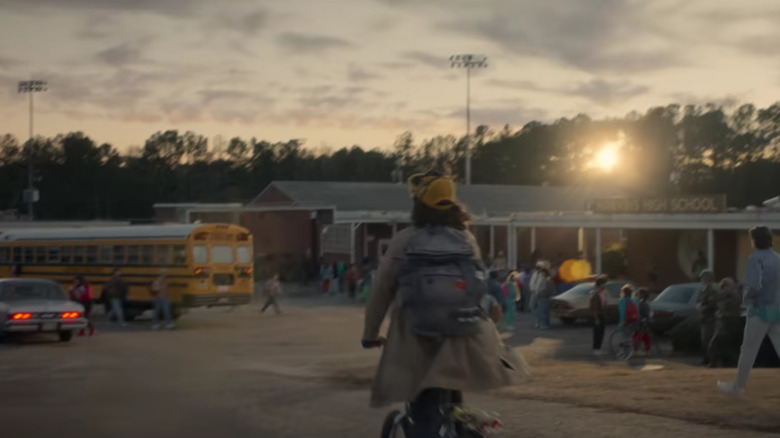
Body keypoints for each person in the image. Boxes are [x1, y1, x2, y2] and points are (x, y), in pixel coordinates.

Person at [361, 171, 528, 436]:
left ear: (418, 204)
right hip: (462, 337)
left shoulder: (404, 241)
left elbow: (381, 291)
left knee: (424, 413)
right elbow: (478, 284)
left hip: (417, 338)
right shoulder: (466, 239)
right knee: (452, 398)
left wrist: (370, 335)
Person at [719, 226, 780, 397]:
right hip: (777, 310)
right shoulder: (777, 258)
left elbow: (754, 285)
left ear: (755, 240)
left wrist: (746, 296)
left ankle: (738, 387)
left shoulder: (755, 259)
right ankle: (738, 387)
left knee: (748, 350)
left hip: (759, 311)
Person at [709, 277, 742, 367]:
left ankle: (729, 365)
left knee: (728, 347)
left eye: (727, 286)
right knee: (715, 345)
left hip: (730, 324)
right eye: (723, 287)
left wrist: (720, 305)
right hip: (722, 325)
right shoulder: (724, 295)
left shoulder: (735, 296)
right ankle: (714, 364)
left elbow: (725, 306)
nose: (725, 288)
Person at [697, 270, 718, 366]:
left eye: (703, 278)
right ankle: (706, 360)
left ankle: (712, 361)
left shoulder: (711, 290)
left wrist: (702, 308)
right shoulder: (705, 290)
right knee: (704, 341)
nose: (702, 280)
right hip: (705, 319)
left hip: (710, 320)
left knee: (709, 341)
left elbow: (712, 305)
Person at [589, 275, 609, 356]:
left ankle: (599, 348)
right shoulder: (596, 293)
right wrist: (596, 318)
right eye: (604, 283)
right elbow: (594, 307)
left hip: (602, 314)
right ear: (600, 283)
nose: (605, 285)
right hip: (597, 315)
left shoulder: (603, 291)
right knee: (597, 332)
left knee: (601, 332)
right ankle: (596, 349)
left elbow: (604, 302)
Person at [633, 288, 652, 355]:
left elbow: (645, 314)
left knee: (638, 336)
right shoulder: (643, 303)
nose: (638, 295)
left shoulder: (642, 304)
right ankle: (646, 350)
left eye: (639, 294)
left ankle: (636, 350)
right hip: (642, 322)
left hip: (641, 323)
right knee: (644, 337)